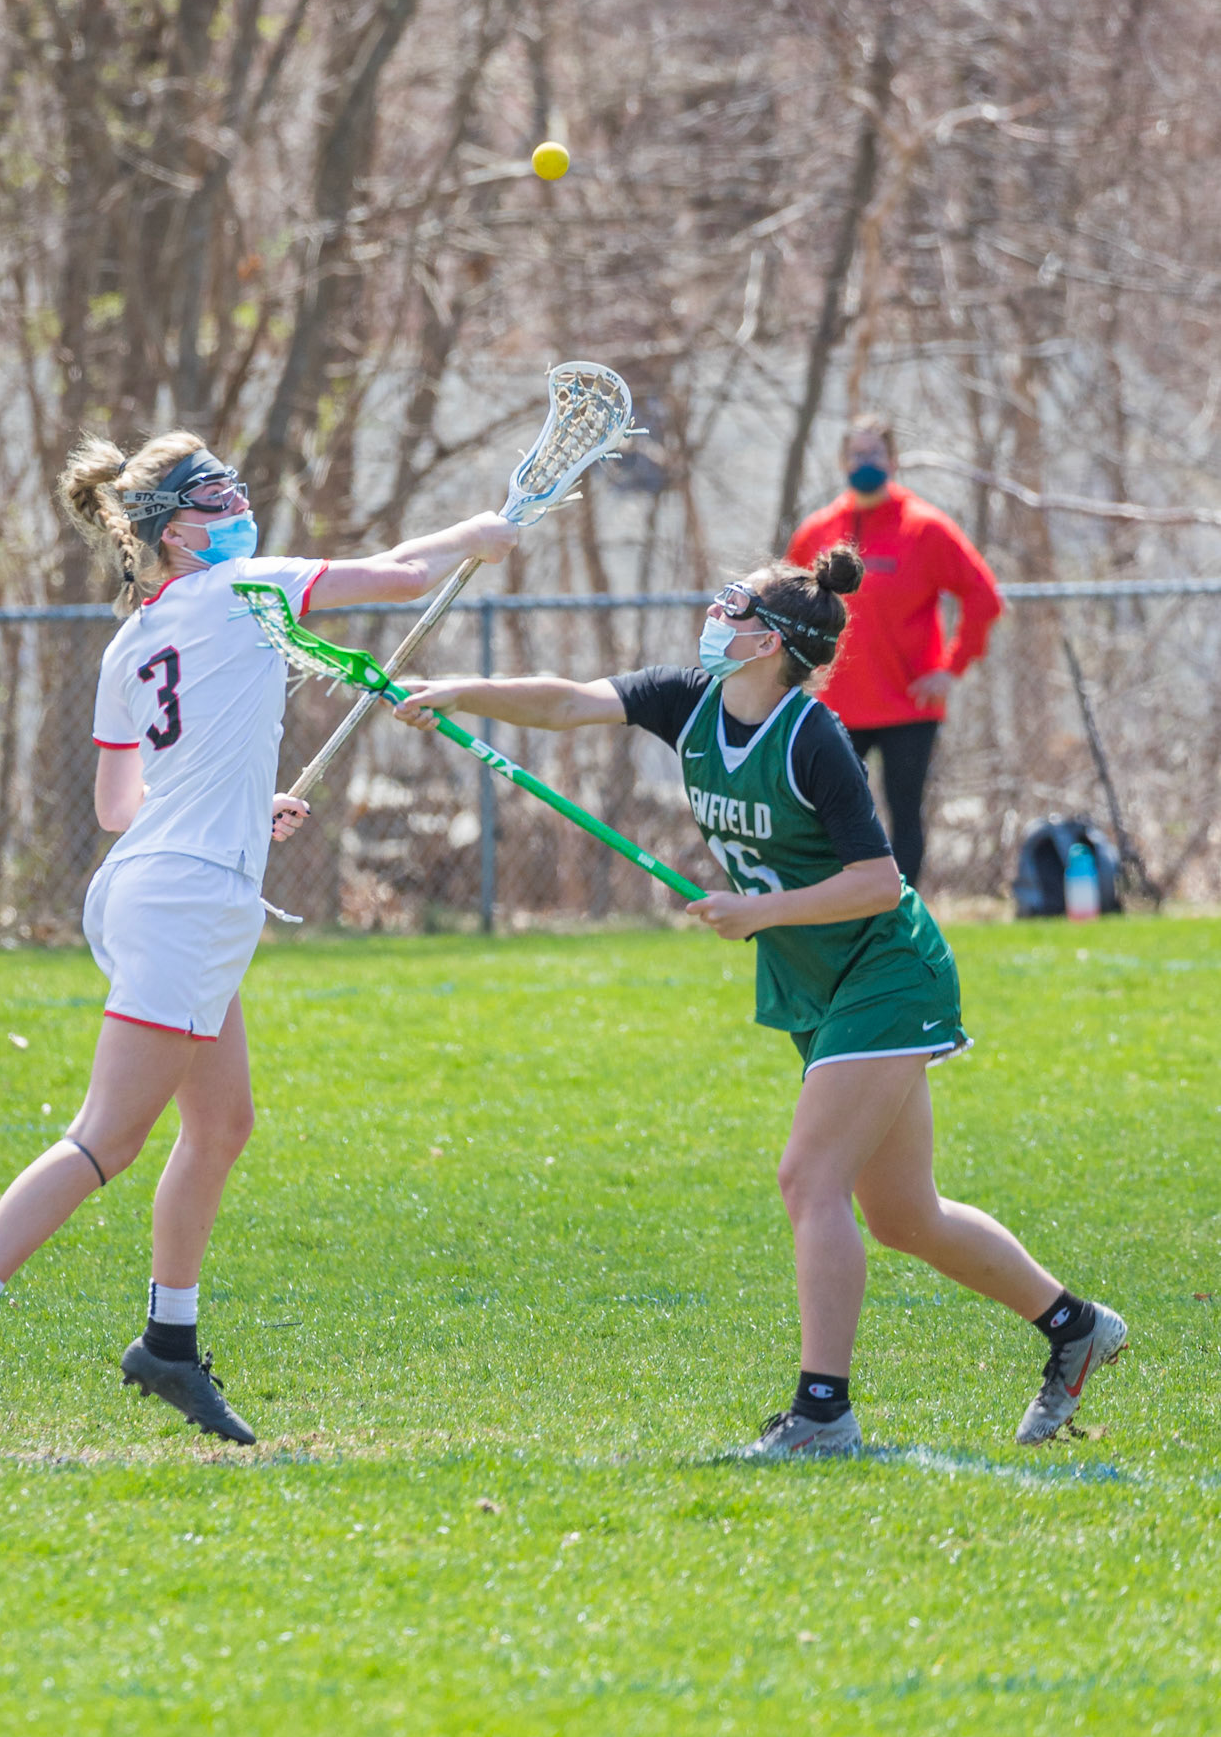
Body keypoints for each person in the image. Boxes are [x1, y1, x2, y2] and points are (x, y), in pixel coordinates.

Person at [394, 546, 1124, 1455]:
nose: (713, 618)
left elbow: (877, 881)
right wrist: (458, 692)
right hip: (812, 979)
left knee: (808, 1179)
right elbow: (569, 702)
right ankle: (1075, 1326)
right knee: (904, 1215)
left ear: (771, 642)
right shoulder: (687, 701)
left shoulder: (811, 738)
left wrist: (759, 912)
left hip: (886, 969)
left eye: (732, 608)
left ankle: (823, 1414)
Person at [0, 430, 518, 1450]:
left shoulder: (132, 638)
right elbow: (403, 576)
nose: (239, 506)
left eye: (235, 486)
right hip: (186, 898)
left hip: (165, 884)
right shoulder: (245, 588)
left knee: (223, 1124)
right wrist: (476, 533)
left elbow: (117, 805)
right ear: (172, 533)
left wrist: (238, 804)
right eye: (214, 496)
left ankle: (168, 1345)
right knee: (107, 1136)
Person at [784, 413, 1002, 886]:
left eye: (875, 453)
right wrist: (793, 673)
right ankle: (839, 907)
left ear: (893, 460)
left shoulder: (924, 528)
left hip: (910, 704)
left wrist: (951, 667)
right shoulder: (819, 530)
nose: (865, 462)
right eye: (856, 454)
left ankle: (900, 911)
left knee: (905, 813)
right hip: (837, 705)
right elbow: (786, 601)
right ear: (843, 461)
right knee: (831, 813)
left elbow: (984, 597)